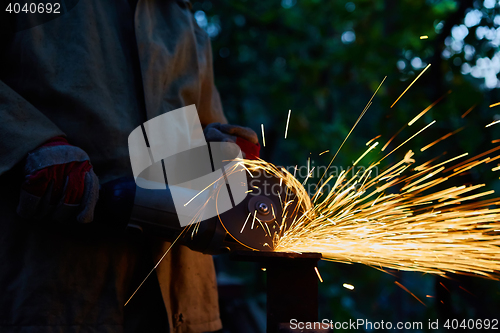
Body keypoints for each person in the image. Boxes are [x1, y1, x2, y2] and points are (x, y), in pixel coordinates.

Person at [0, 0, 259, 332]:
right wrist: (29, 142)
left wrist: (218, 152)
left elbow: (194, 126)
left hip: (179, 304)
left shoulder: (180, 17)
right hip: (56, 291)